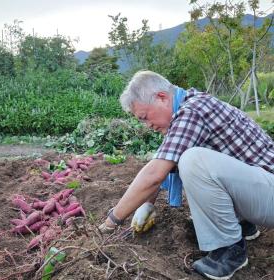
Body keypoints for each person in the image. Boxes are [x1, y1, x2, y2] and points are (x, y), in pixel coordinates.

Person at [99, 70, 274, 280]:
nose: (148, 126)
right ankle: (243, 225)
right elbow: (162, 162)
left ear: (162, 97)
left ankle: (229, 252)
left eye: (145, 117)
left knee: (194, 161)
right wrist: (148, 204)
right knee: (191, 160)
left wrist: (111, 221)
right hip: (263, 192)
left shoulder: (192, 111)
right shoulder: (189, 106)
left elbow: (155, 173)